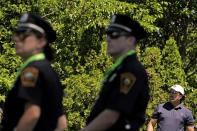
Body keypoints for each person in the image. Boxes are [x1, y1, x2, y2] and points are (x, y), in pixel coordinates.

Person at [80, 14, 150, 131]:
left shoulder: (131, 70)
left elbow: (111, 116)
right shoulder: (120, 69)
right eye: (108, 34)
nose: (108, 39)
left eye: (114, 34)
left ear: (130, 40)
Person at [0, 13, 67, 131]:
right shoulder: (50, 71)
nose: (16, 38)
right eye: (17, 34)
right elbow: (61, 123)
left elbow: (32, 114)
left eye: (24, 34)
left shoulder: (31, 70)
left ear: (41, 41)